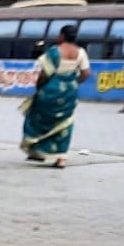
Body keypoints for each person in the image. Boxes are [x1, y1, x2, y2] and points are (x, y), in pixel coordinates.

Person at [20, 24, 90, 169]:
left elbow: (44, 74)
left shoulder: (54, 51)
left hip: (50, 91)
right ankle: (61, 159)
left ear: (63, 36)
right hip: (69, 93)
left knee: (36, 119)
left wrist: (39, 87)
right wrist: (74, 82)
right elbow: (86, 73)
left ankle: (37, 151)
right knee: (65, 124)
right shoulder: (81, 52)